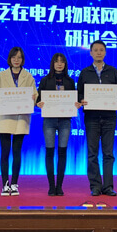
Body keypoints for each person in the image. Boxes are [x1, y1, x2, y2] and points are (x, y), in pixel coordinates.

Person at [0, 46, 37, 196]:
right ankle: (5, 184)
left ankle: (14, 184)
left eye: (19, 57)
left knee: (17, 152)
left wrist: (33, 99)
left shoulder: (28, 76)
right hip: (4, 118)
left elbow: (35, 95)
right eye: (14, 57)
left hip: (21, 118)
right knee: (5, 152)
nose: (16, 60)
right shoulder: (1, 75)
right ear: (9, 59)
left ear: (23, 59)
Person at [78, 40, 117, 197]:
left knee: (108, 153)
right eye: (95, 50)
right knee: (92, 153)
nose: (98, 52)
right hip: (91, 117)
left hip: (109, 117)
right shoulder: (85, 72)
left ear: (105, 52)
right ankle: (95, 186)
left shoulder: (112, 71)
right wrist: (82, 100)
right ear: (91, 53)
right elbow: (79, 93)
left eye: (101, 50)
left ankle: (108, 186)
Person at [36, 53, 79, 196]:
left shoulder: (70, 81)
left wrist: (76, 104)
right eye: (56, 61)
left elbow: (74, 99)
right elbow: (38, 99)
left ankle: (59, 186)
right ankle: (51, 186)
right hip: (49, 120)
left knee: (62, 152)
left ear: (65, 64)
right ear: (52, 64)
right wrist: (38, 103)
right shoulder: (45, 80)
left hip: (65, 120)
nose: (59, 64)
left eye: (62, 61)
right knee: (49, 152)